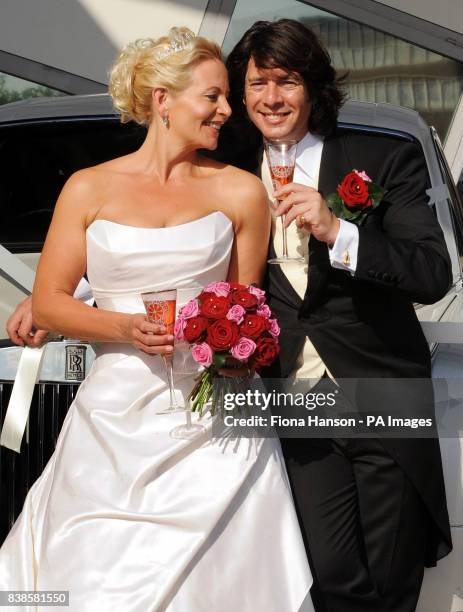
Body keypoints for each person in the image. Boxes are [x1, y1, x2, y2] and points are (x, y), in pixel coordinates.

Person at [0, 28, 314, 612]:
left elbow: (246, 306)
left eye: (226, 97)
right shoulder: (88, 188)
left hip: (211, 424)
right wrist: (123, 329)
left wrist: (232, 347)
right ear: (163, 101)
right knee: (94, 577)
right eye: (214, 96)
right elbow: (49, 302)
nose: (228, 110)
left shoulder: (241, 192)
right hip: (113, 421)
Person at [223, 18, 453, 612]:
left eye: (287, 81)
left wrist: (338, 230)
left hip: (382, 390)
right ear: (240, 91)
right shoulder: (222, 168)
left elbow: (431, 274)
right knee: (325, 572)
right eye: (257, 84)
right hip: (291, 401)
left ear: (314, 87)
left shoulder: (383, 156)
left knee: (393, 572)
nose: (271, 98)